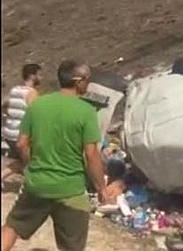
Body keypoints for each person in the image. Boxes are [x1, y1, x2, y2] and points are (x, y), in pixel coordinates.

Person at [1, 60, 109, 251]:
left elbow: (21, 143)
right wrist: (101, 187)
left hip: (37, 185)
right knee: (72, 246)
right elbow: (92, 155)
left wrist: (29, 166)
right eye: (87, 80)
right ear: (79, 81)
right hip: (70, 191)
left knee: (12, 227)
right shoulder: (86, 111)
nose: (89, 84)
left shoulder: (38, 105)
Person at [1, 64, 42, 185]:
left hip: (9, 134)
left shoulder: (14, 90)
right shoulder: (32, 93)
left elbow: (4, 105)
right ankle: (31, 191)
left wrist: (9, 116)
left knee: (23, 162)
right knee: (34, 164)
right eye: (39, 75)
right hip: (22, 136)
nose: (41, 78)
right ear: (32, 76)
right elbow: (36, 115)